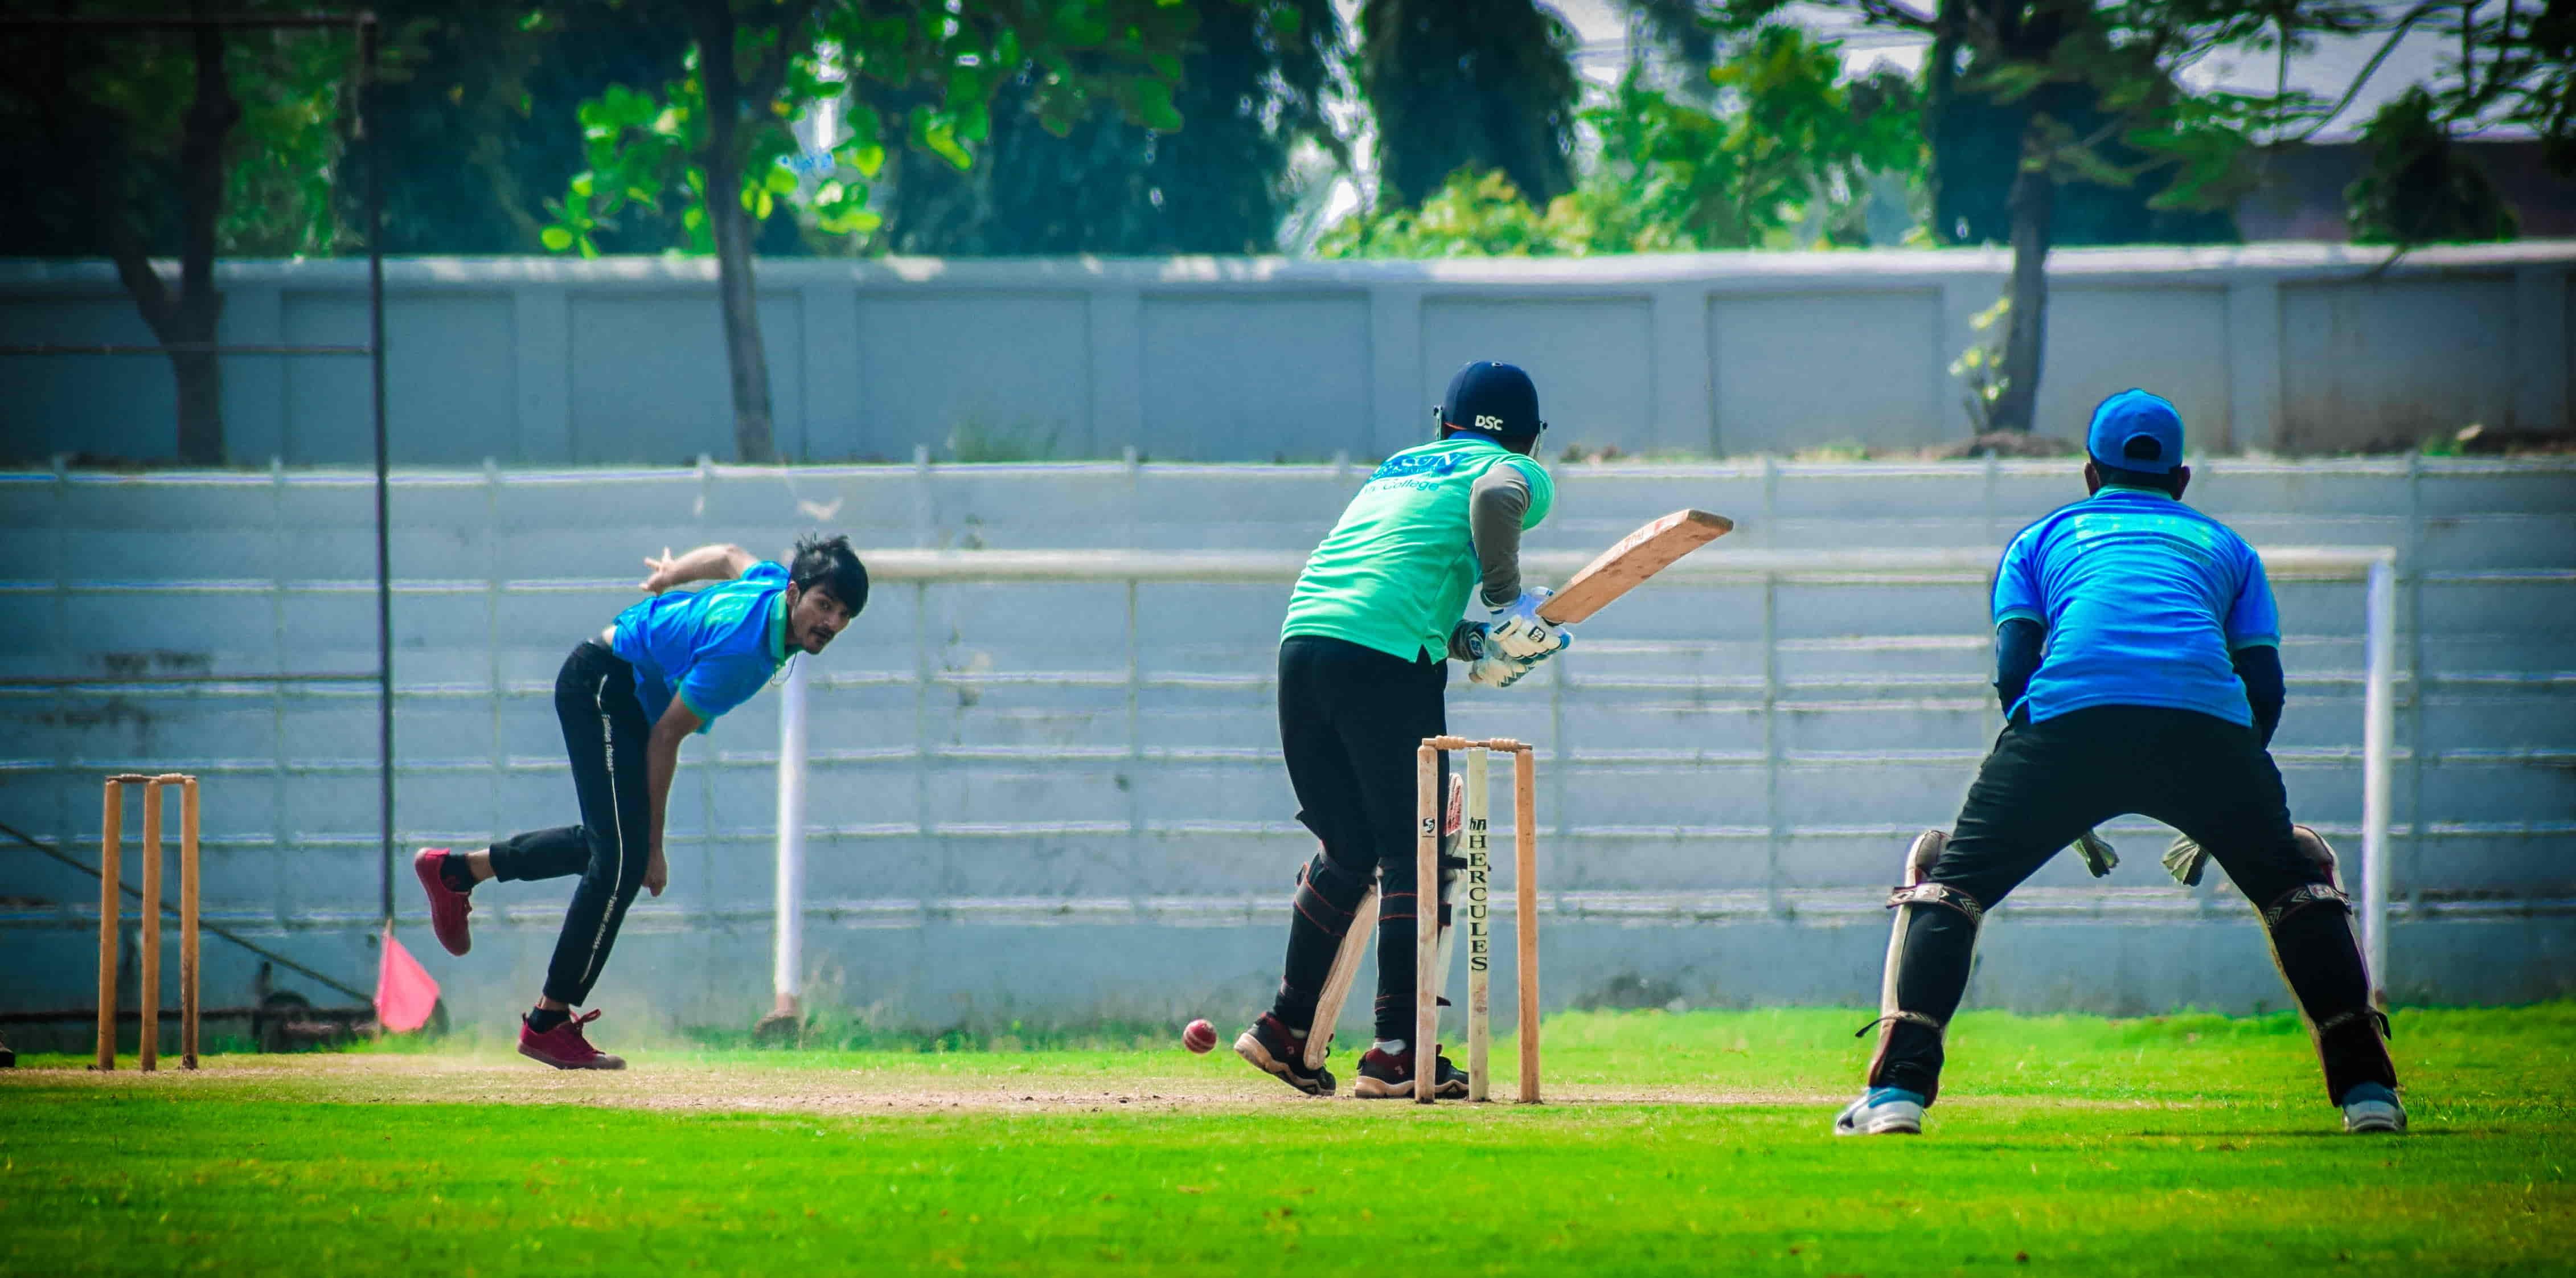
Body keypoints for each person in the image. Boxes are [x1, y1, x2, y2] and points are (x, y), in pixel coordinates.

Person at [1836, 389, 2402, 1136]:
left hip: (2069, 727)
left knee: (1948, 881)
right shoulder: (2228, 548)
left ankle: (1897, 1098)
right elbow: (2263, 687)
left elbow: (2015, 673)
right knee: (2297, 883)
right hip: (2209, 735)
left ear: (2089, 473)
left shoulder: (2041, 539)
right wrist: (2227, 807)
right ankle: (2370, 1099)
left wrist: (2055, 793)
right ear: (2183, 479)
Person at [1233, 361, 1572, 1099]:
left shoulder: (1397, 471)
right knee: (1415, 853)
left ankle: (1286, 1028)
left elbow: (1398, 591)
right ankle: (1398, 1050)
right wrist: (1511, 602)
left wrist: (1480, 642)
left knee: (1349, 850)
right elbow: (1495, 494)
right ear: (1531, 439)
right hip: (1384, 665)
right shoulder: (1511, 467)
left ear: (1439, 422)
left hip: (1306, 644)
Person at [412, 535, 868, 1069]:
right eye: (823, 605)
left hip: (611, 683)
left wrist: (670, 576)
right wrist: (654, 848)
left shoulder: (768, 584)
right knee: (624, 860)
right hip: (602, 686)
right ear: (795, 594)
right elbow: (666, 738)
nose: (831, 623)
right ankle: (548, 1023)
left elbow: (726, 556)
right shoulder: (744, 654)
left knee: (608, 846)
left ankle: (458, 873)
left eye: (843, 614)